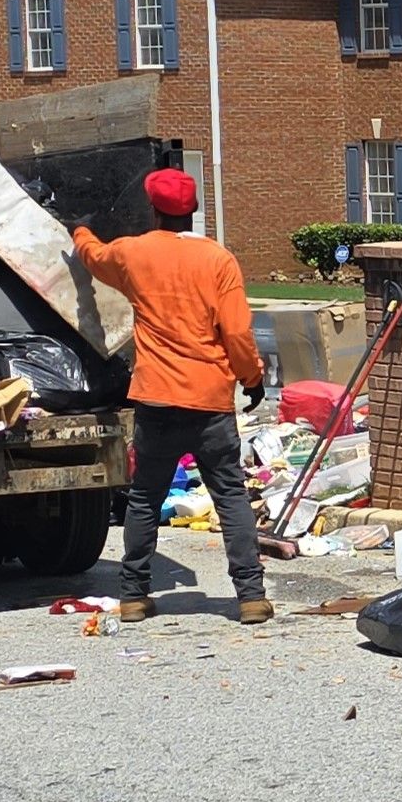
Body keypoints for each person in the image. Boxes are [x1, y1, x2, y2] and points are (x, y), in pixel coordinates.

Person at [70, 170, 271, 625]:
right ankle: (251, 597)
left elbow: (94, 257)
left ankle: (134, 597)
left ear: (153, 210)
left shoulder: (132, 253)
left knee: (144, 498)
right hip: (210, 401)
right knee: (230, 498)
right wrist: (251, 378)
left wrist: (80, 229)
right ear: (194, 211)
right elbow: (237, 332)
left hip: (156, 398)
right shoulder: (218, 261)